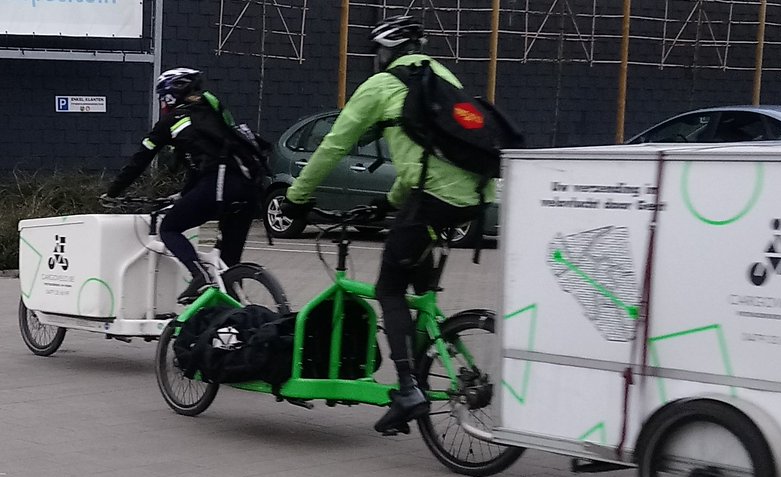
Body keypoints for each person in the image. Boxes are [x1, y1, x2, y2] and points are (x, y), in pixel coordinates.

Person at [281, 15, 496, 436]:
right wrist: (389, 202)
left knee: (388, 289)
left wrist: (296, 196)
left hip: (432, 200)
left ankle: (408, 391)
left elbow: (334, 145)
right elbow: (429, 155)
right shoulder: (442, 77)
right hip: (474, 197)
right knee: (417, 282)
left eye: (378, 51)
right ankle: (428, 355)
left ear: (386, 52)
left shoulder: (381, 85)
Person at [104, 68, 260, 304]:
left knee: (169, 228)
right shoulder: (213, 115)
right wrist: (184, 194)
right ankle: (236, 317)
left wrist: (113, 192)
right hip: (249, 189)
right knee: (228, 268)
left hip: (219, 185)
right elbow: (204, 163)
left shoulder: (171, 121)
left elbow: (140, 160)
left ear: (169, 95)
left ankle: (199, 275)